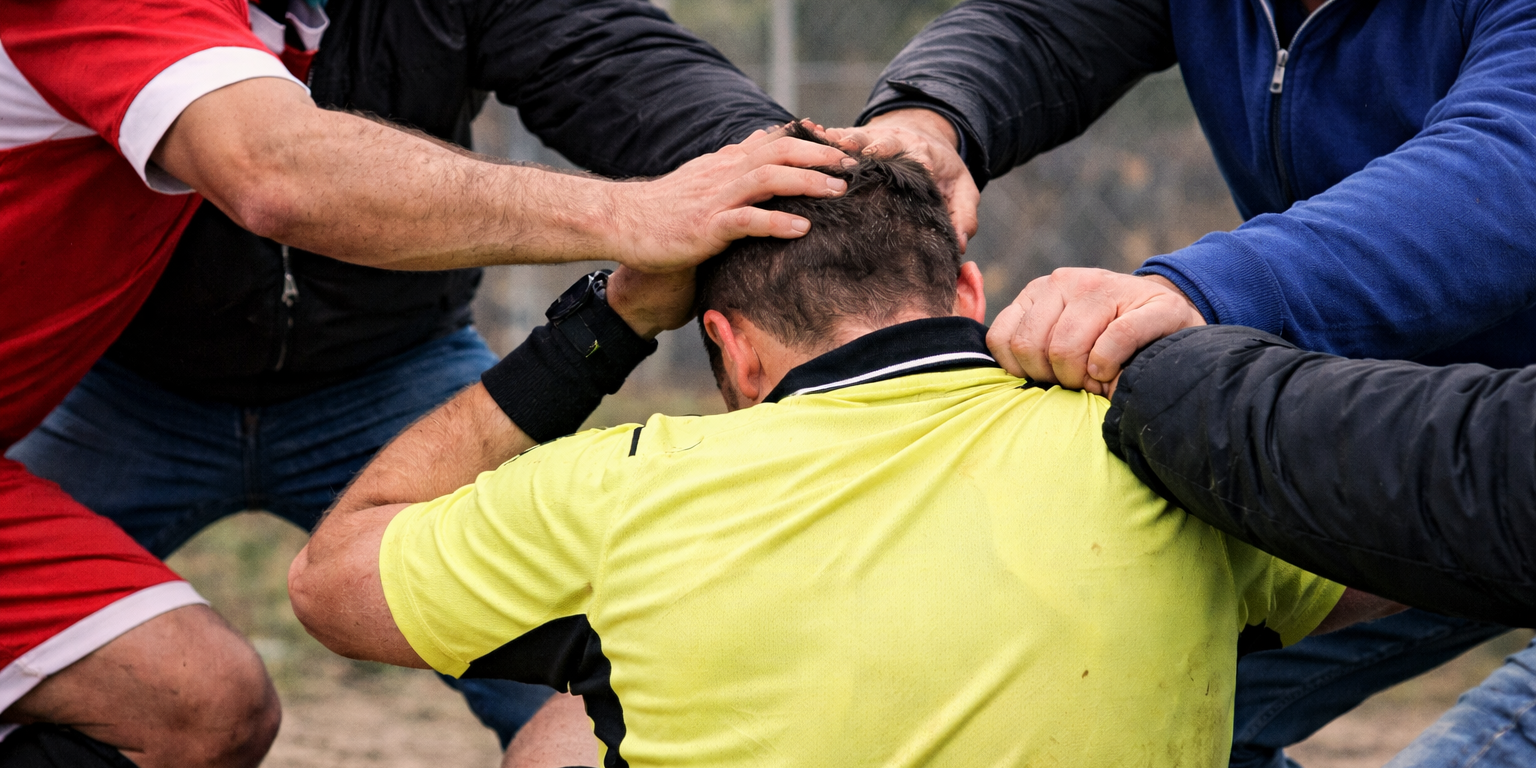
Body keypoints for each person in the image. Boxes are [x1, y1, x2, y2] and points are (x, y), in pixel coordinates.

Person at [287, 131, 1398, 767]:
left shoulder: (619, 489)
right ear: (968, 290)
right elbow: (1403, 545)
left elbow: (331, 583)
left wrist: (607, 325)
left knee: (562, 743)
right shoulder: (1151, 441)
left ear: (732, 351)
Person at [0, 0, 849, 762]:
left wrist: (791, 160)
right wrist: (632, 212)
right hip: (124, 387)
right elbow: (275, 165)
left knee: (626, 665)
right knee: (181, 698)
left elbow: (605, 49)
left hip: (395, 374)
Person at [829, 0, 1536, 764]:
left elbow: (1508, 163)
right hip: (1368, 453)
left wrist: (1207, 290)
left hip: (1510, 448)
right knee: (1144, 691)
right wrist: (931, 115)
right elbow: (1038, 25)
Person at [1100, 324, 1536, 764]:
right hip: (1396, 455)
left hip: (1458, 486)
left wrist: (1170, 376)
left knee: (1220, 703)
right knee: (1218, 702)